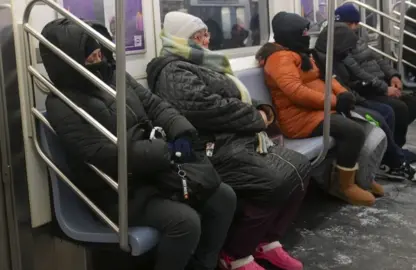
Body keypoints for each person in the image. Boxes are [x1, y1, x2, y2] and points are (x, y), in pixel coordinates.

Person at [40, 19, 236, 270]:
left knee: (223, 196)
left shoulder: (115, 75)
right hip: (116, 189)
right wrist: (167, 152)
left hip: (151, 173)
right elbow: (100, 154)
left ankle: (203, 264)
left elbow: (154, 105)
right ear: (68, 60)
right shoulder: (61, 104)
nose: (99, 56)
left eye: (100, 50)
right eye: (91, 54)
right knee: (184, 223)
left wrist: (182, 131)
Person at [147, 11, 311, 270]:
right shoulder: (172, 70)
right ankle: (236, 252)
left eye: (205, 34)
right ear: (180, 39)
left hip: (235, 139)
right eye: (197, 36)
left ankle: (266, 241)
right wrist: (254, 117)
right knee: (273, 180)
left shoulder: (206, 63)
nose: (205, 40)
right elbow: (204, 109)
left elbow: (237, 95)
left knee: (301, 167)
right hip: (208, 149)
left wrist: (264, 110)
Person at [257, 11, 383, 208]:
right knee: (352, 131)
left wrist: (342, 94)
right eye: (303, 33)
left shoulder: (301, 54)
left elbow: (326, 78)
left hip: (317, 112)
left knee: (364, 124)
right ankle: (344, 185)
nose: (306, 37)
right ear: (291, 35)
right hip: (298, 119)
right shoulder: (279, 58)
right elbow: (295, 92)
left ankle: (358, 176)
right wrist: (333, 102)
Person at [310, 22, 416, 183]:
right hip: (345, 102)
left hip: (354, 95)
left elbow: (348, 81)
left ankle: (391, 156)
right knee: (381, 115)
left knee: (395, 108)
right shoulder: (324, 61)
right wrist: (367, 94)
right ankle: (395, 162)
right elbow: (340, 85)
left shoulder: (337, 55)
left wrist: (391, 76)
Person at [334, 4, 416, 158]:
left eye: (353, 24)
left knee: (414, 103)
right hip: (366, 88)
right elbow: (358, 72)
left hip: (379, 83)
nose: (353, 28)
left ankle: (393, 145)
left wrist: (393, 76)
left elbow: (378, 59)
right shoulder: (340, 45)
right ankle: (391, 153)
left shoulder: (359, 40)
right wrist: (385, 88)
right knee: (398, 108)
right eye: (349, 24)